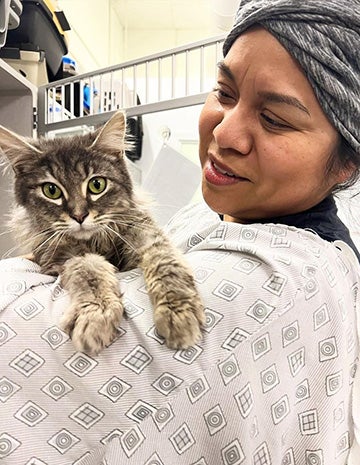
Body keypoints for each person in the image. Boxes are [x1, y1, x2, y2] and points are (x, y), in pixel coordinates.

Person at [0, 0, 359, 463]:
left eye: (274, 119)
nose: (225, 133)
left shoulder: (267, 288)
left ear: (347, 162)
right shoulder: (228, 213)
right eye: (224, 93)